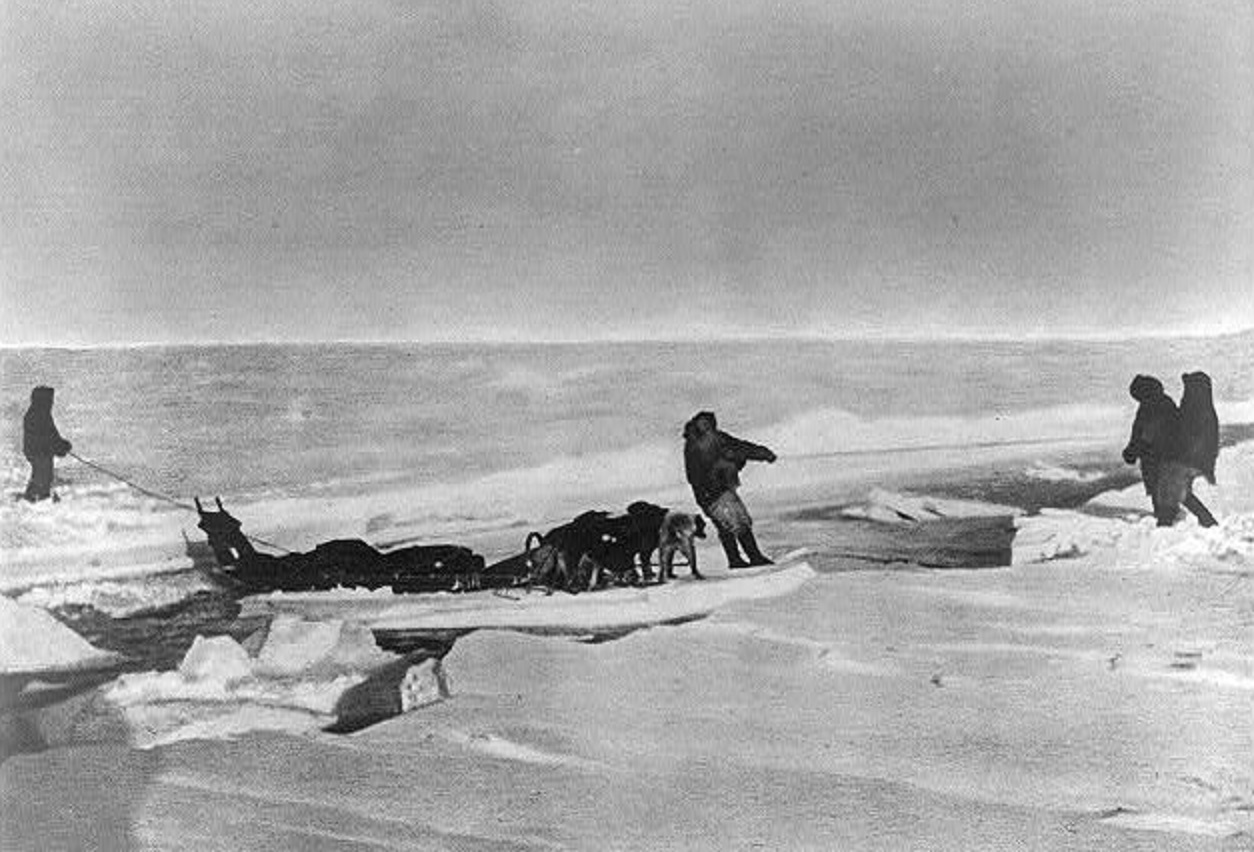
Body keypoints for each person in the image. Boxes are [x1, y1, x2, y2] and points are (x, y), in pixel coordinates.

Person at [683, 410, 776, 567]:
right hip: (715, 492)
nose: (707, 426)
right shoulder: (699, 443)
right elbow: (697, 475)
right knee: (737, 523)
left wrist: (762, 453)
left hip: (714, 492)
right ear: (697, 425)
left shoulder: (713, 438)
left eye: (708, 423)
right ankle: (751, 557)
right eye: (703, 423)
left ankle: (738, 559)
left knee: (729, 524)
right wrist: (761, 455)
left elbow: (740, 447)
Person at [1120, 374, 1215, 527]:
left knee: (1171, 491)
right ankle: (1205, 521)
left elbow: (1146, 434)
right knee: (1173, 491)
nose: (1137, 399)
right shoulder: (1159, 403)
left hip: (1163, 458)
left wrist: (1132, 451)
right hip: (1166, 457)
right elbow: (1141, 432)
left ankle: (1171, 524)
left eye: (1137, 395)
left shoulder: (1154, 405)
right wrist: (1134, 449)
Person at [22, 386, 72, 502]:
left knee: (44, 476)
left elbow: (53, 435)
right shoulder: (36, 416)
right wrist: (59, 446)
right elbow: (44, 438)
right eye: (49, 400)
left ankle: (37, 498)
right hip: (38, 452)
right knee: (42, 476)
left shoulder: (43, 414)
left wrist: (61, 444)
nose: (51, 403)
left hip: (42, 452)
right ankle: (35, 499)